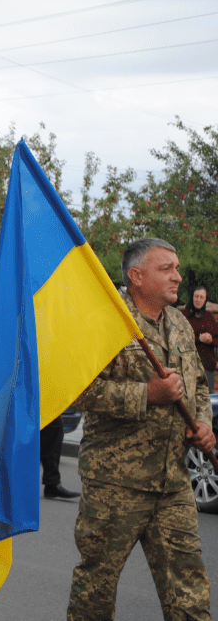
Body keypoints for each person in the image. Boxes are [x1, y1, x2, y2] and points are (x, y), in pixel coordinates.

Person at [67, 238, 214, 621]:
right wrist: (146, 394)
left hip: (173, 482)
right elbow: (80, 390)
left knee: (190, 592)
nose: (178, 276)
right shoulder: (106, 322)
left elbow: (197, 382)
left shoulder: (179, 322)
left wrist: (202, 422)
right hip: (116, 483)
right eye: (166, 269)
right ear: (136, 276)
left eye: (177, 268)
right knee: (96, 589)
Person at [182, 285, 218, 395]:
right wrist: (199, 339)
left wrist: (210, 340)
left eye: (201, 297)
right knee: (189, 396)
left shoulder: (209, 316)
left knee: (208, 397)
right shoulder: (184, 315)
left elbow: (217, 339)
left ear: (205, 299)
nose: (198, 299)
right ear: (192, 297)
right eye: (196, 296)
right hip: (188, 365)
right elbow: (181, 337)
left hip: (207, 366)